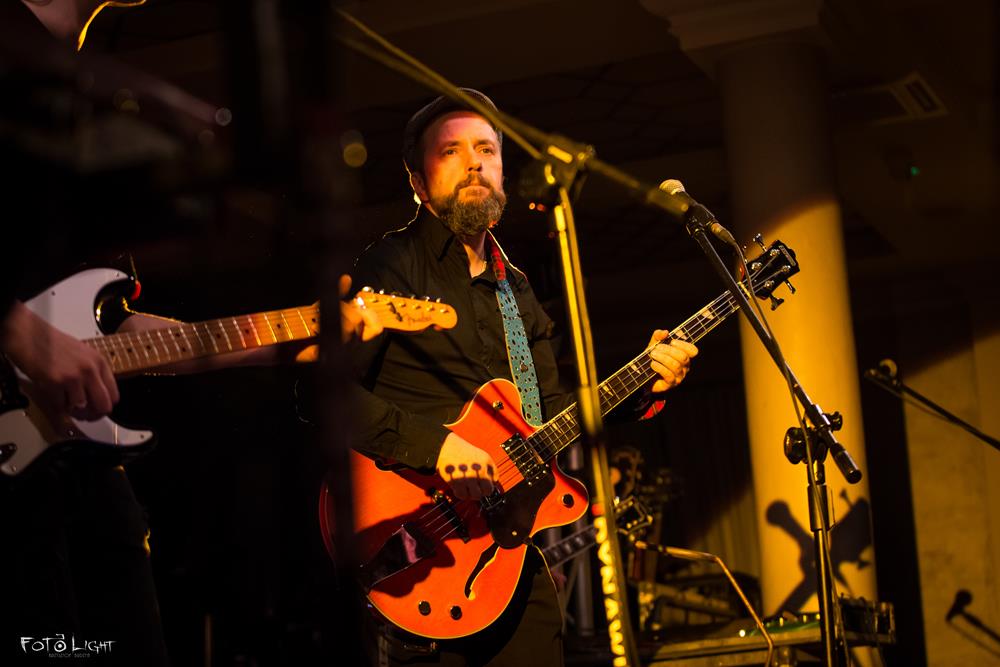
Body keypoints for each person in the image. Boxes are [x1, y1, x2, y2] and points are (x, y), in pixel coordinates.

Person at [350, 89, 699, 666]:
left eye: (486, 149)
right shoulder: (391, 265)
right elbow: (323, 396)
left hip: (504, 553)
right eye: (451, 151)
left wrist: (643, 385)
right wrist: (436, 447)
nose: (474, 163)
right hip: (417, 548)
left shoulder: (517, 289)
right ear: (416, 181)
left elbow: (550, 415)